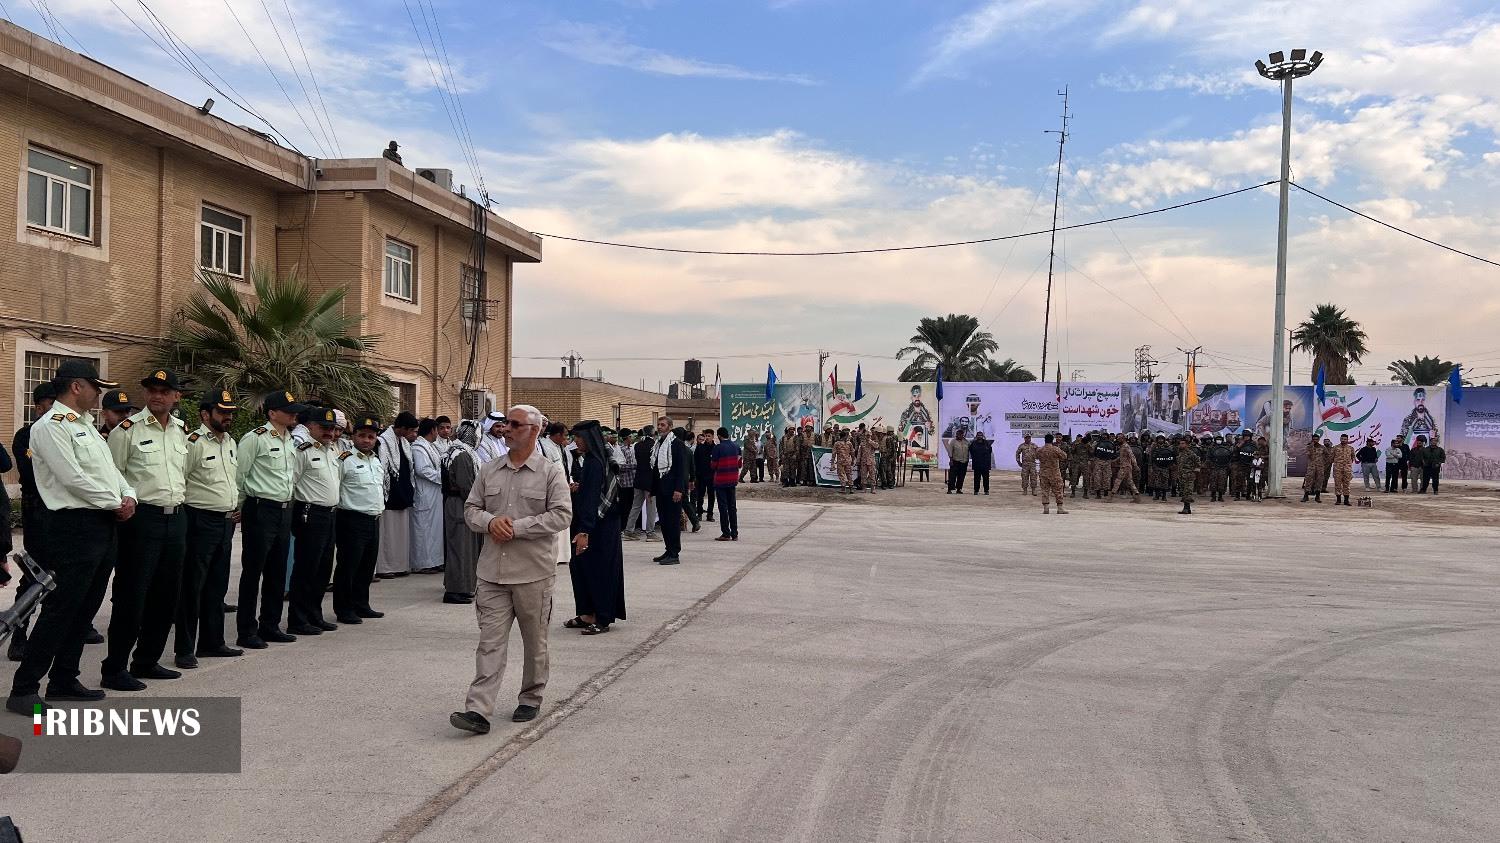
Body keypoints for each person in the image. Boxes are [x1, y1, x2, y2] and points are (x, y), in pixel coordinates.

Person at [7, 361, 133, 715]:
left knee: (85, 609)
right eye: (95, 387)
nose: (99, 394)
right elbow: (72, 478)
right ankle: (24, 688)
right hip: (74, 527)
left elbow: (110, 472)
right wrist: (115, 502)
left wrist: (128, 495)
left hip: (102, 524)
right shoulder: (51, 426)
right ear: (77, 386)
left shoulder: (87, 426)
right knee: (61, 609)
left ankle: (64, 678)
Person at [450, 404, 572, 735]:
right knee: (489, 642)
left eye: (515, 424)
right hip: (492, 573)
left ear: (534, 430)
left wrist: (517, 528)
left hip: (533, 573)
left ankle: (531, 697)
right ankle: (478, 710)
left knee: (535, 641)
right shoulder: (489, 469)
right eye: (506, 423)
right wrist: (490, 522)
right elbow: (471, 508)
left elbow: (562, 515)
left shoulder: (550, 472)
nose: (507, 429)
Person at [173, 388, 243, 671]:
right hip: (199, 520)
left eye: (230, 412)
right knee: (192, 586)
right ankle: (184, 648)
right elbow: (180, 479)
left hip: (226, 522)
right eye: (222, 412)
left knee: (217, 584)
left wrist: (235, 504)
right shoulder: (193, 443)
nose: (228, 417)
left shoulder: (230, 442)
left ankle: (212, 642)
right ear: (205, 414)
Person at [235, 391, 304, 648]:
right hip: (260, 509)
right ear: (272, 413)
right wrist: (238, 506)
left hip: (284, 510)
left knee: (277, 571)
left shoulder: (290, 440)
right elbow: (240, 474)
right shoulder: (255, 438)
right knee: (253, 572)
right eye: (288, 411)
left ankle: (270, 625)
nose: (293, 415)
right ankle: (246, 630)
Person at [7, 382, 65, 662]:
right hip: (38, 511)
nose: (55, 409)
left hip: (63, 512)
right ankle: (19, 635)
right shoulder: (26, 436)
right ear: (38, 407)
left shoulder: (66, 433)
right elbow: (32, 473)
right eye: (50, 404)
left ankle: (56, 634)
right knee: (35, 574)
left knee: (64, 573)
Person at [562, 421, 626, 635]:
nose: (576, 441)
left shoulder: (596, 462)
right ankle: (587, 614)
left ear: (590, 438)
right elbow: (592, 490)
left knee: (599, 571)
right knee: (581, 568)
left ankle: (602, 617)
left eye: (579, 437)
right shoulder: (592, 459)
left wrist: (584, 531)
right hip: (592, 522)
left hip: (599, 526)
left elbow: (593, 499)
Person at [285, 408, 342, 635]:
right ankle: (297, 619)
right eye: (324, 427)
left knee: (323, 569)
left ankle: (314, 614)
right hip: (310, 513)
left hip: (330, 514)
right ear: (310, 427)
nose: (329, 432)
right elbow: (291, 482)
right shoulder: (303, 451)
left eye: (332, 428)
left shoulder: (332, 450)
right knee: (306, 568)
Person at [332, 416, 387, 625]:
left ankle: (361, 604)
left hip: (373, 519)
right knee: (348, 566)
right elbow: (336, 487)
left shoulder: (375, 460)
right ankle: (344, 608)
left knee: (367, 566)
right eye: (362, 435)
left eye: (371, 436)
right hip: (351, 519)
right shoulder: (345, 459)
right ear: (353, 436)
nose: (366, 440)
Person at [441, 420, 482, 605]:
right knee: (460, 548)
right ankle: (454, 590)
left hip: (458, 503)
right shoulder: (462, 455)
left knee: (462, 548)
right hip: (460, 504)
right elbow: (466, 486)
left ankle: (463, 587)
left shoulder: (456, 451)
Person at [375, 412, 418, 579]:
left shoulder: (404, 442)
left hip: (403, 493)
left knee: (400, 533)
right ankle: (385, 567)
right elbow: (383, 468)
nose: (412, 434)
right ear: (402, 428)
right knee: (388, 534)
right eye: (411, 430)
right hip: (390, 494)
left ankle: (400, 565)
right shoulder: (382, 442)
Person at [650, 417, 690, 565]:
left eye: (663, 425)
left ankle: (674, 553)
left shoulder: (677, 444)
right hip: (661, 490)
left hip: (673, 490)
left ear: (670, 427)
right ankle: (668, 550)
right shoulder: (658, 443)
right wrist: (652, 490)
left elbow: (681, 469)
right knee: (664, 522)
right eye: (658, 425)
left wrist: (679, 489)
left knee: (672, 522)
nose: (660, 427)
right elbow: (655, 469)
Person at [409, 418, 445, 575]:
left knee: (434, 530)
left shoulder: (430, 446)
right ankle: (422, 563)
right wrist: (442, 477)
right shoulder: (418, 447)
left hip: (434, 493)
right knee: (423, 529)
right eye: (437, 430)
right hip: (424, 494)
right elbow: (422, 469)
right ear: (432, 430)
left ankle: (434, 561)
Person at [625, 425, 658, 542]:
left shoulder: (637, 445)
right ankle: (650, 533)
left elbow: (636, 461)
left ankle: (628, 531)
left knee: (636, 506)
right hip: (650, 481)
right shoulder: (655, 445)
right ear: (653, 433)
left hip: (638, 479)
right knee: (651, 508)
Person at [711, 427, 742, 541]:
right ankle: (735, 533)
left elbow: (713, 465)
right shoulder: (736, 446)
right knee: (732, 507)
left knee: (723, 507)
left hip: (721, 481)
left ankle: (725, 533)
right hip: (733, 480)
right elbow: (739, 464)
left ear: (719, 436)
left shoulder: (717, 448)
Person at [1036, 433, 1068, 515]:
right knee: (1058, 490)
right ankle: (1060, 508)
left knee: (1045, 490)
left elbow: (1035, 457)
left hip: (1043, 473)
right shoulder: (1056, 449)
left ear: (1045, 440)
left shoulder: (1040, 450)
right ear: (1052, 440)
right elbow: (1064, 456)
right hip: (1054, 473)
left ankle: (1046, 508)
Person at [692, 430, 716, 523]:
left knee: (711, 496)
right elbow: (695, 461)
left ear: (713, 437)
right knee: (700, 496)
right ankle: (699, 513)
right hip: (701, 476)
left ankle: (710, 514)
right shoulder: (700, 447)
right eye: (706, 436)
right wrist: (695, 474)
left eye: (709, 436)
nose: (707, 438)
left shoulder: (715, 448)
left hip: (712, 476)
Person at [1112, 433, 1141, 503]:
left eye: (1119, 439)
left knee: (1118, 480)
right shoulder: (1123, 446)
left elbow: (1132, 456)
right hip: (1125, 466)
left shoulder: (1126, 446)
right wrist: (1113, 461)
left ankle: (1111, 496)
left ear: (1123, 439)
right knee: (1130, 482)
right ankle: (1137, 496)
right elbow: (1121, 457)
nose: (1118, 440)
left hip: (1125, 467)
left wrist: (1135, 465)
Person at [1331, 433, 1356, 506]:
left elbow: (1353, 457)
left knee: (1346, 484)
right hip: (1337, 469)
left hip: (1347, 469)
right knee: (1337, 484)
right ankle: (1338, 500)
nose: (1343, 440)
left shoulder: (1351, 448)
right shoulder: (1335, 448)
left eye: (1345, 439)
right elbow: (1331, 458)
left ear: (1347, 440)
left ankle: (1346, 500)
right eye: (1342, 439)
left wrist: (1348, 465)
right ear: (1340, 439)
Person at [1176, 437, 1200, 515]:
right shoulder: (1180, 454)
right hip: (1182, 476)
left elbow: (1198, 462)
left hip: (1189, 476)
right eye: (1180, 443)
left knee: (1187, 492)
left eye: (1183, 443)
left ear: (1187, 445)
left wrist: (1194, 471)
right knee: (1183, 492)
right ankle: (1187, 508)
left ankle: (1186, 508)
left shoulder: (1190, 453)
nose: (1181, 445)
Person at [1206, 436, 1233, 502]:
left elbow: (1229, 457)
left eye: (1220, 439)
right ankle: (1213, 496)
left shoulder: (1225, 448)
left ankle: (1220, 496)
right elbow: (1208, 458)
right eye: (1217, 439)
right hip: (1214, 467)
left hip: (1223, 467)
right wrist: (1211, 465)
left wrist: (1227, 465)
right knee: (1213, 482)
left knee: (1222, 482)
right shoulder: (1211, 448)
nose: (1219, 441)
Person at [1148, 436, 1176, 502]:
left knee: (1165, 481)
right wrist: (1150, 466)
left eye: (1162, 439)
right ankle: (1157, 495)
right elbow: (1151, 456)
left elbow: (1171, 455)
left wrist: (1171, 464)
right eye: (1159, 439)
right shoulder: (1154, 447)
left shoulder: (1168, 447)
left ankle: (1164, 496)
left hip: (1165, 466)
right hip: (1156, 466)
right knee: (1156, 481)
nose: (1160, 440)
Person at [968, 431, 993, 495]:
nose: (980, 436)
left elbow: (990, 451)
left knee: (986, 479)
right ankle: (976, 491)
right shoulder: (973, 443)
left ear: (983, 436)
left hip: (985, 465)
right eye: (978, 435)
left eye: (981, 435)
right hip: (977, 464)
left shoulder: (986, 443)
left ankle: (986, 491)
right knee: (976, 479)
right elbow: (971, 451)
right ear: (976, 436)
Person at [945, 429, 969, 494]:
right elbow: (950, 451)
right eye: (958, 434)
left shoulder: (966, 442)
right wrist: (951, 460)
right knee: (952, 476)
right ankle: (950, 489)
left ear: (963, 435)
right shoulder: (953, 441)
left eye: (960, 434)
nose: (959, 436)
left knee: (961, 476)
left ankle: (959, 489)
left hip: (964, 462)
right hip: (955, 461)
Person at [856, 423, 878, 494]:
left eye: (869, 435)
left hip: (871, 461)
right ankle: (864, 488)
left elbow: (876, 446)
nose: (868, 436)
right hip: (864, 461)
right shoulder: (862, 443)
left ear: (871, 436)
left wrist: (870, 441)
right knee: (863, 475)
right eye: (867, 435)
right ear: (865, 436)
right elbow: (859, 452)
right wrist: (858, 460)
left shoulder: (872, 442)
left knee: (872, 475)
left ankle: (873, 489)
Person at [1301, 438, 1324, 503]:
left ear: (1318, 440)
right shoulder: (1309, 447)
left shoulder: (1322, 447)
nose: (1315, 440)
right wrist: (1311, 447)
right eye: (1314, 439)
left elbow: (1328, 455)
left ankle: (1317, 496)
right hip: (1311, 467)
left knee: (1319, 482)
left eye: (1316, 439)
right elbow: (1307, 454)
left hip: (1320, 468)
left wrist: (1323, 463)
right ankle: (1306, 496)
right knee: (1308, 481)